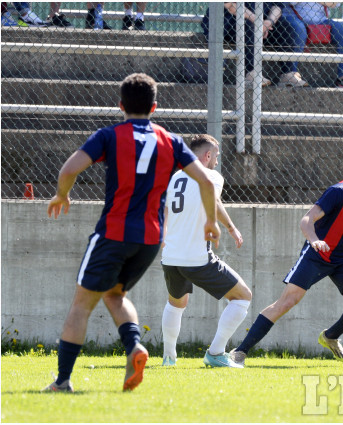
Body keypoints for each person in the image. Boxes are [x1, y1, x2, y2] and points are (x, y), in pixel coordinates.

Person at [42, 73, 221, 393]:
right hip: (151, 239)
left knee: (81, 305)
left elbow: (69, 169)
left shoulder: (109, 135)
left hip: (113, 233)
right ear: (154, 107)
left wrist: (62, 195)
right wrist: (211, 220)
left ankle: (62, 381)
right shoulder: (171, 141)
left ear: (120, 105)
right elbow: (206, 182)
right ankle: (135, 347)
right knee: (114, 294)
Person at [229, 147, 343, 366]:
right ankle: (239, 352)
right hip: (317, 254)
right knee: (287, 301)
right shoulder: (340, 192)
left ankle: (330, 337)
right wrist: (314, 240)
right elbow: (307, 219)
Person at [161, 134, 252, 368]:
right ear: (207, 155)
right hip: (197, 258)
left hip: (170, 256)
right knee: (243, 297)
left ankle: (168, 358)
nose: (217, 162)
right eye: (216, 157)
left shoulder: (176, 178)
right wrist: (223, 227)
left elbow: (174, 206)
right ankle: (216, 353)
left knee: (176, 304)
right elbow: (211, 193)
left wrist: (231, 227)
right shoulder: (212, 176)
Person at [282, 2, 343, 89]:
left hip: (320, 20)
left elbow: (333, 4)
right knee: (298, 29)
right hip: (293, 17)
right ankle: (290, 74)